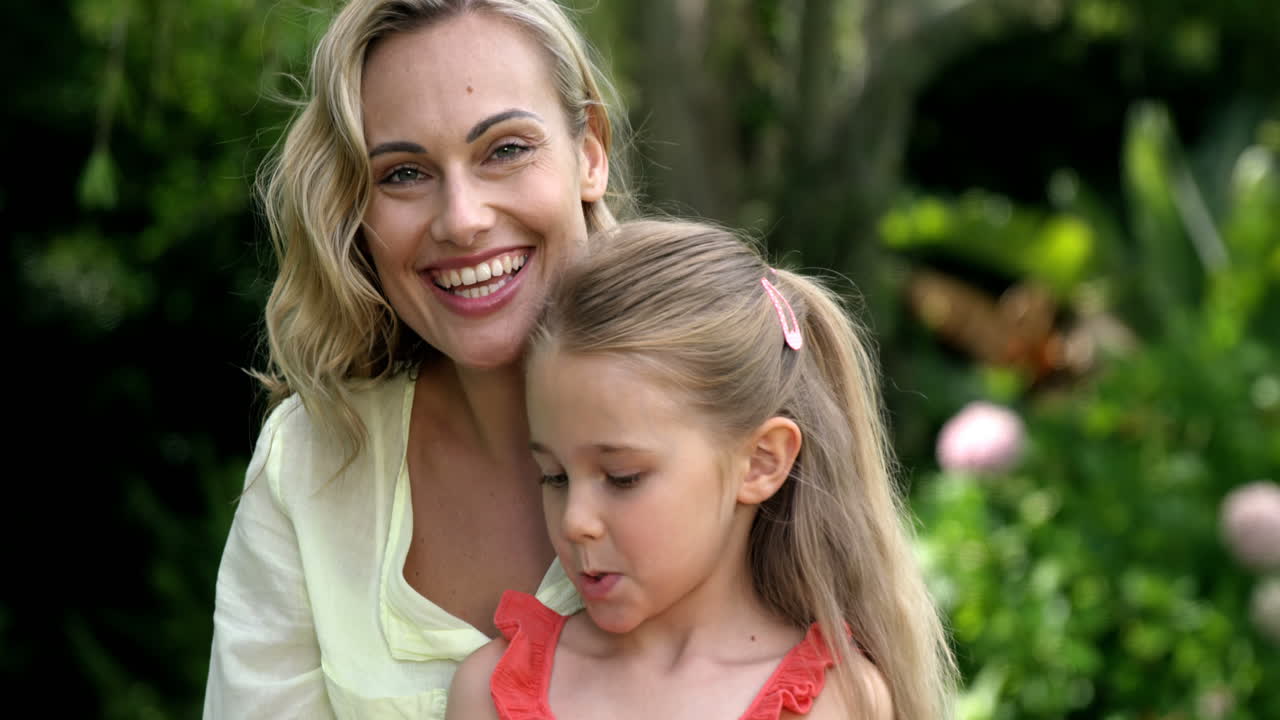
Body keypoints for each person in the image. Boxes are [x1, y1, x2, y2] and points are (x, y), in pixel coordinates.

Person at [204, 0, 632, 717]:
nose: (462, 220)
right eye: (403, 173)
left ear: (589, 153)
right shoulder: (309, 463)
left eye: (505, 150)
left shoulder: (730, 412)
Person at [445, 219, 958, 720]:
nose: (575, 520)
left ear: (761, 462)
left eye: (622, 477)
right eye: (555, 476)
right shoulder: (490, 691)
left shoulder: (835, 703)